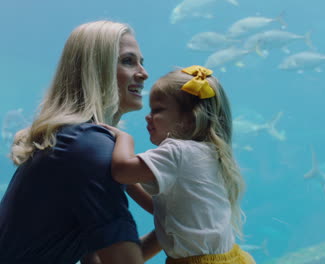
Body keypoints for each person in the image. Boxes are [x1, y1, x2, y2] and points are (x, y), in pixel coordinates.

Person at [0, 20, 161, 263]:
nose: (144, 73)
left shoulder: (70, 139)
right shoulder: (87, 147)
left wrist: (179, 225)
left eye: (141, 62)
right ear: (97, 70)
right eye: (128, 61)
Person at [100, 65, 256, 264]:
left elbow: (122, 171)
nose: (148, 117)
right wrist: (129, 183)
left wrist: (122, 137)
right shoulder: (208, 152)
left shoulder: (178, 151)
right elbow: (164, 209)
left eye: (157, 110)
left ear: (189, 119)